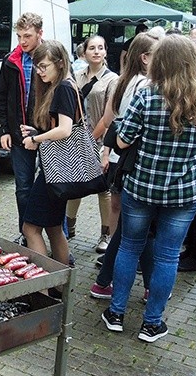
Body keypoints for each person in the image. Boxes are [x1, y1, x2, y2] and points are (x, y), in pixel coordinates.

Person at [102, 35, 196, 343]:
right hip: (183, 193)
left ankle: (116, 313)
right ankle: (152, 323)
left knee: (130, 247)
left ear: (159, 62)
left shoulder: (147, 96)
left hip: (142, 187)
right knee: (169, 257)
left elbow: (121, 140)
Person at [89, 32, 157, 300]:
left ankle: (107, 279)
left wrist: (102, 150)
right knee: (139, 229)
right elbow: (121, 128)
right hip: (133, 163)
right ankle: (113, 281)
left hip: (120, 160)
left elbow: (109, 121)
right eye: (156, 54)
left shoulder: (121, 82)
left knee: (131, 225)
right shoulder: (144, 87)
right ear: (145, 57)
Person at [20, 40, 77, 274]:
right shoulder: (66, 85)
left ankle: (43, 287)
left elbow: (65, 129)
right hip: (60, 170)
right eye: (37, 67)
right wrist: (38, 133)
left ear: (60, 63)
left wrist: (36, 140)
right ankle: (60, 285)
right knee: (54, 227)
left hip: (55, 172)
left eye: (44, 66)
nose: (40, 71)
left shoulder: (63, 87)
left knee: (30, 229)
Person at [0, 12, 43, 243]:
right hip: (18, 135)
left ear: (39, 34)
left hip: (46, 134)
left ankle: (58, 237)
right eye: (19, 36)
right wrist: (4, 129)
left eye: (28, 36)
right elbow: (0, 97)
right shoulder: (11, 60)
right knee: (23, 188)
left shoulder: (52, 57)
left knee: (54, 185)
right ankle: (27, 235)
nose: (23, 41)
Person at [66, 35, 118, 251]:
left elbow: (110, 116)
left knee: (103, 189)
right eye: (92, 48)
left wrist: (93, 138)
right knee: (73, 184)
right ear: (84, 52)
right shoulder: (76, 76)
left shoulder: (112, 79)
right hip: (75, 138)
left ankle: (105, 235)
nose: (96, 52)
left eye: (100, 48)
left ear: (106, 52)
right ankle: (69, 226)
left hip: (100, 140)